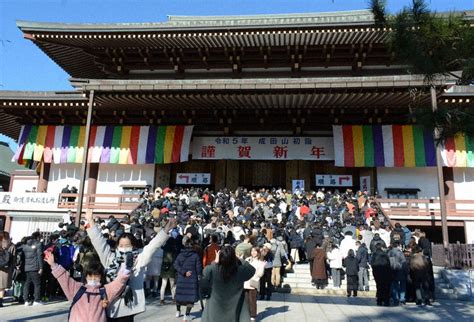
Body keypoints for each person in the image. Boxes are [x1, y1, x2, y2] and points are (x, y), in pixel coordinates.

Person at [85, 210, 175, 322]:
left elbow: (153, 246)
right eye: (121, 245)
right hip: (108, 303)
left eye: (127, 245)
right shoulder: (110, 259)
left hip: (128, 305)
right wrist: (90, 221)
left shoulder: (139, 258)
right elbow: (99, 243)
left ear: (133, 246)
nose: (123, 247)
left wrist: (166, 229)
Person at [44, 251, 130, 322]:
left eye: (96, 276)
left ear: (101, 277)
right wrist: (53, 265)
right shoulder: (77, 288)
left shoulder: (104, 291)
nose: (93, 279)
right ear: (86, 277)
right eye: (90, 276)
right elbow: (64, 278)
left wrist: (125, 271)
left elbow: (118, 284)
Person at [201, 246, 256, 322]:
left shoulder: (213, 270)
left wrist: (215, 262)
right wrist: (240, 259)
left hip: (214, 311)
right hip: (234, 312)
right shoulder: (240, 271)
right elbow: (251, 269)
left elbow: (205, 272)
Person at [173, 235, 202, 322]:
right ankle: (187, 315)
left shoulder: (180, 255)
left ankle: (178, 311)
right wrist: (200, 275)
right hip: (192, 279)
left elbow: (175, 265)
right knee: (190, 298)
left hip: (182, 278)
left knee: (179, 296)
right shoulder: (195, 255)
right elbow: (199, 268)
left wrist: (183, 272)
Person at [244, 247, 265, 321]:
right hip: (246, 282)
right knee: (246, 300)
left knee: (252, 300)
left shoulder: (260, 262)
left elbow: (260, 274)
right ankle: (246, 314)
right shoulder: (247, 260)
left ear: (258, 252)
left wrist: (262, 266)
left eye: (255, 251)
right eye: (252, 251)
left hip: (253, 282)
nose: (253, 252)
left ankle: (253, 315)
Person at [23, 231, 43, 306]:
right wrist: (41, 267)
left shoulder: (25, 245)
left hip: (27, 267)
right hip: (35, 267)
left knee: (27, 283)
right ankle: (36, 300)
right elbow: (39, 256)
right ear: (38, 237)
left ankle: (26, 300)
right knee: (37, 284)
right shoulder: (38, 244)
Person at [0, 232, 14, 307]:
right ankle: (0, 301)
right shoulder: (8, 245)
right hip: (4, 269)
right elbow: (13, 258)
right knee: (2, 287)